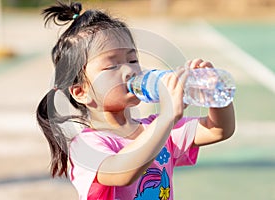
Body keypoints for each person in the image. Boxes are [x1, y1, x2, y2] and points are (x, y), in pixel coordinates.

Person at [36, 1, 235, 200]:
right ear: (81, 92)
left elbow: (219, 129)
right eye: (112, 65)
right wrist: (166, 118)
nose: (129, 70)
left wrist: (215, 92)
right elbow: (122, 173)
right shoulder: (85, 146)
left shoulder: (157, 128)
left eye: (132, 60)